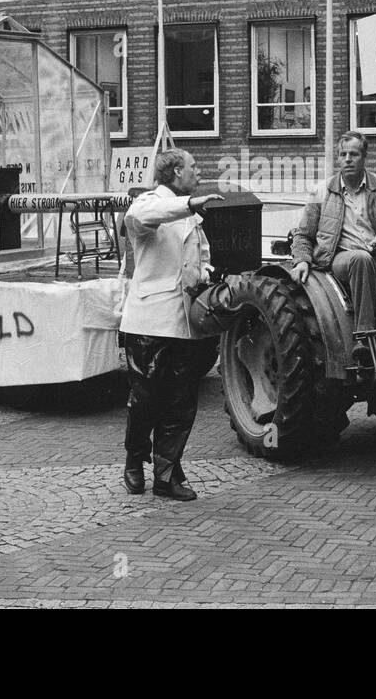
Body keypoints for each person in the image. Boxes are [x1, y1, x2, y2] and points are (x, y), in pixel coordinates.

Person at [120, 149, 226, 501]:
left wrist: (205, 274)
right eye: (194, 167)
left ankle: (167, 473)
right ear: (176, 171)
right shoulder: (151, 203)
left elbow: (202, 255)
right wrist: (190, 205)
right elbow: (143, 216)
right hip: (148, 322)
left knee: (179, 403)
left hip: (183, 320)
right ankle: (134, 460)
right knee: (144, 399)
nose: (199, 171)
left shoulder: (190, 215)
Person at [291, 130, 376, 352]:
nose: (348, 159)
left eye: (354, 154)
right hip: (340, 258)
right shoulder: (323, 191)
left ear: (364, 157)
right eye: (343, 154)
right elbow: (303, 234)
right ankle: (364, 337)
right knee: (360, 259)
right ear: (338, 157)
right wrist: (302, 260)